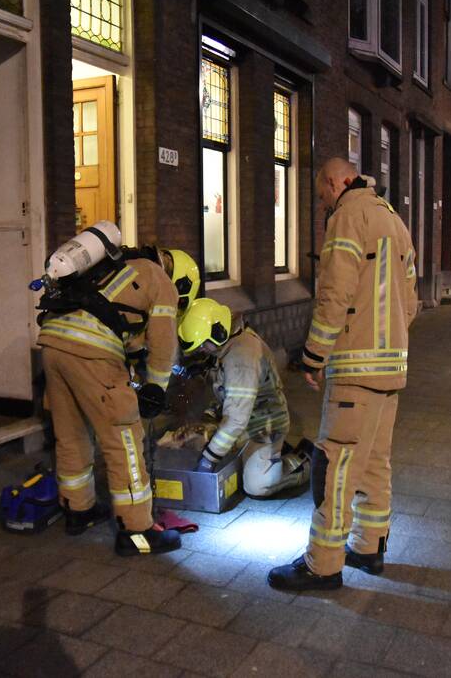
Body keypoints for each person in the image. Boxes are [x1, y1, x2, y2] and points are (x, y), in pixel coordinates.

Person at [268, 158, 417, 591]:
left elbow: (335, 294)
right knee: (374, 462)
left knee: (334, 465)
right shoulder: (395, 220)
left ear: (336, 182)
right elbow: (411, 302)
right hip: (391, 370)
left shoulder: (348, 216)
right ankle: (369, 547)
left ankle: (323, 563)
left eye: (321, 196)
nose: (323, 206)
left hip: (354, 369)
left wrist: (314, 355)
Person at [37, 222, 182, 556]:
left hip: (52, 346)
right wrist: (156, 387)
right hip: (91, 353)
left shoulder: (109, 270)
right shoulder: (159, 280)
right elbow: (162, 340)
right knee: (124, 439)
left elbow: (122, 330)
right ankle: (137, 530)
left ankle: (79, 510)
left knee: (71, 433)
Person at [177, 298, 310, 497]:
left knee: (256, 484)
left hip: (263, 427)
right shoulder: (228, 343)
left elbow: (237, 419)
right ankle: (265, 454)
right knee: (210, 446)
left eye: (202, 346)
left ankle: (301, 460)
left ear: (218, 333)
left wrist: (208, 460)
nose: (201, 350)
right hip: (244, 419)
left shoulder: (242, 357)